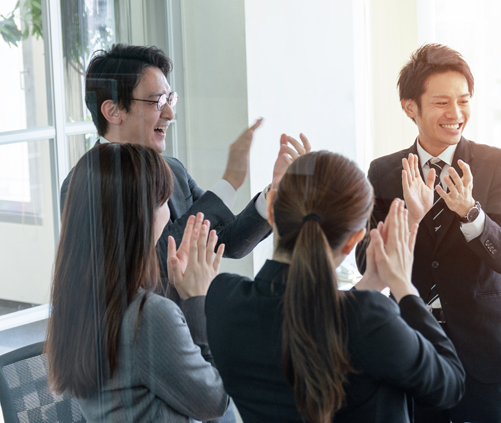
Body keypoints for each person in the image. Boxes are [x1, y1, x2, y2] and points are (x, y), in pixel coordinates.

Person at [205, 151, 466, 423]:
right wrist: (402, 285)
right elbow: (450, 385)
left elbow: (312, 316)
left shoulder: (224, 299)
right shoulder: (367, 317)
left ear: (271, 209)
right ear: (353, 241)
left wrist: (370, 284)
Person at [356, 43, 501, 422]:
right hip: (413, 345)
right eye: (441, 103)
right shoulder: (384, 172)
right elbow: (364, 257)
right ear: (409, 107)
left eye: (463, 101)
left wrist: (470, 213)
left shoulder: (497, 164)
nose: (456, 114)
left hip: (484, 353)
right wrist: (409, 222)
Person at [60, 44, 310, 301]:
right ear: (113, 111)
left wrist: (275, 193)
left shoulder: (174, 170)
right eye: (158, 101)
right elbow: (151, 264)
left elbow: (226, 240)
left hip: (192, 327)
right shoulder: (84, 185)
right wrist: (229, 183)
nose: (169, 113)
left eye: (170, 99)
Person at [46, 143, 230, 422]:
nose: (169, 212)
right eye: (162, 201)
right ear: (140, 216)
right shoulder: (148, 315)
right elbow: (215, 404)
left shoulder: (78, 303)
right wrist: (198, 300)